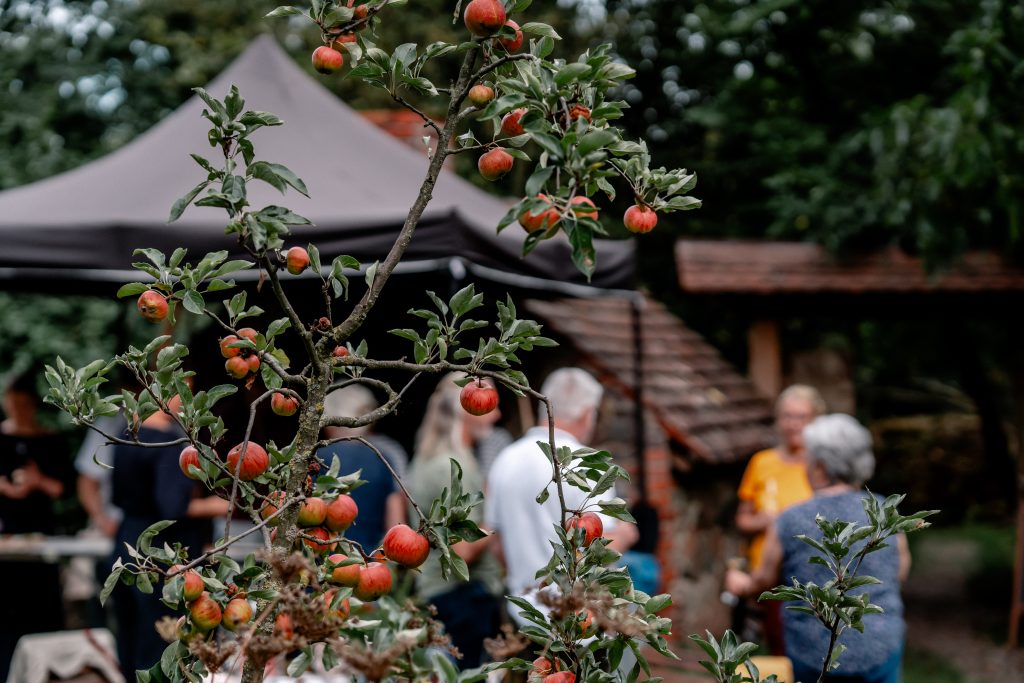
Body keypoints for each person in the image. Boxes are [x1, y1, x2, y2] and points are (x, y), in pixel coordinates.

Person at [725, 414, 911, 683]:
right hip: (881, 645)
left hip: (814, 655)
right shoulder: (886, 512)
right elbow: (900, 573)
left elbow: (764, 580)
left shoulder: (790, 519)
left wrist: (740, 583)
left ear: (820, 467)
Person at [484, 367, 638, 626]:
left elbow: (496, 543)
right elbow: (598, 551)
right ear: (588, 413)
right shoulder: (589, 465)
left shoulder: (506, 459)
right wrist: (625, 534)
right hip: (577, 620)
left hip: (521, 614)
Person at [110, 405, 229, 675]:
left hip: (126, 544)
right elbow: (173, 506)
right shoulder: (169, 442)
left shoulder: (127, 435)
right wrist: (220, 505)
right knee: (162, 646)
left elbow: (115, 497)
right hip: (160, 553)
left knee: (130, 642)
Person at [405, 374, 504, 669]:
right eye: (491, 404)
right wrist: (498, 517)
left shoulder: (428, 461)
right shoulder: (453, 468)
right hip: (461, 602)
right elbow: (462, 550)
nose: (497, 415)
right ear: (468, 408)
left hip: (441, 596)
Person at [735, 384, 826, 653]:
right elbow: (742, 520)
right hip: (768, 574)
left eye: (801, 417)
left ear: (815, 421)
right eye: (787, 416)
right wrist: (762, 521)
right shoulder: (761, 462)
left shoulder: (823, 467)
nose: (793, 424)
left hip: (813, 573)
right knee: (780, 648)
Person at [0, 371, 76, 679]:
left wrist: (37, 482)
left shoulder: (50, 441)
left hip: (41, 537)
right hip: (5, 540)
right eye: (12, 402)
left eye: (23, 403)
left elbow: (65, 489)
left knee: (43, 612)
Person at [317, 385, 405, 552]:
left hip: (322, 564)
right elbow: (395, 524)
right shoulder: (383, 459)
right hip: (368, 564)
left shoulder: (315, 459)